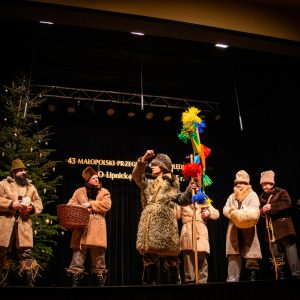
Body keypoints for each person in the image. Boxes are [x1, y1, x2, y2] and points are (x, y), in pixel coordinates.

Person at [132, 149, 195, 285]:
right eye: (151, 164)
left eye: (155, 164)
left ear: (163, 167)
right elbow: (137, 177)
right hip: (149, 225)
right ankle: (149, 285)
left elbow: (183, 200)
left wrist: (190, 188)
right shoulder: (148, 183)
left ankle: (173, 286)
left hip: (165, 224)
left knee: (170, 258)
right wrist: (143, 160)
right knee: (149, 259)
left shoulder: (172, 182)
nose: (152, 166)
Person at [66, 166, 112, 287]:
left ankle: (100, 285)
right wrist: (81, 208)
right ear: (87, 180)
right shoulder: (79, 191)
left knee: (99, 260)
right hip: (81, 229)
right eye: (93, 178)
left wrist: (91, 204)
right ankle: (75, 283)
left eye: (97, 177)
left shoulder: (104, 191)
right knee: (77, 259)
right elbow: (70, 205)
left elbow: (107, 205)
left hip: (97, 230)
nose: (97, 179)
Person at [0, 158, 43, 287]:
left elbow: (39, 203)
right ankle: (2, 282)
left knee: (26, 253)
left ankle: (29, 282)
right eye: (20, 170)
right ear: (14, 172)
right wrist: (11, 204)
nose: (23, 172)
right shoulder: (3, 184)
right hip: (6, 223)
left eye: (24, 170)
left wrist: (32, 208)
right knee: (2, 252)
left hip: (24, 224)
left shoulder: (31, 187)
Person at [259, 170, 300, 279]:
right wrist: (262, 210)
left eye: (266, 184)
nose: (264, 187)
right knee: (276, 253)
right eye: (262, 185)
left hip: (284, 227)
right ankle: (281, 274)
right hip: (271, 231)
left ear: (272, 183)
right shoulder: (261, 197)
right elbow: (258, 212)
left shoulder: (281, 192)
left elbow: (287, 204)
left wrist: (272, 207)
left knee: (290, 251)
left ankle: (296, 274)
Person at [223, 170, 262, 282]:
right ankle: (232, 279)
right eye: (237, 183)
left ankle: (252, 276)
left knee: (251, 253)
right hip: (234, 229)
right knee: (233, 254)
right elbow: (225, 209)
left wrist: (241, 214)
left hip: (248, 228)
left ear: (247, 183)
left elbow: (254, 210)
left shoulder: (252, 195)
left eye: (242, 182)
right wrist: (232, 212)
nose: (239, 185)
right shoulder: (232, 196)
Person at [177, 201, 219, 284]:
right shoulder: (183, 199)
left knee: (201, 259)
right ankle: (190, 282)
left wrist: (209, 213)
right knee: (188, 259)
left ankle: (202, 282)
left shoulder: (203, 198)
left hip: (200, 230)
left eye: (197, 186)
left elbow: (216, 214)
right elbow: (177, 216)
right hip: (187, 230)